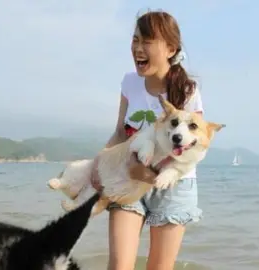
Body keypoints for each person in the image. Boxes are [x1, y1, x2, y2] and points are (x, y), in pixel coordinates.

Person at [91, 10, 204, 270]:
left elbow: (194, 146)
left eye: (147, 41)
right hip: (129, 178)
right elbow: (120, 132)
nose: (138, 49)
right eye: (135, 40)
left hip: (173, 185)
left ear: (170, 48)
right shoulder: (130, 83)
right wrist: (99, 163)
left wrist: (150, 173)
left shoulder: (188, 89)